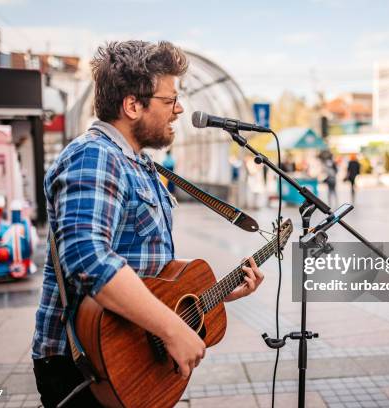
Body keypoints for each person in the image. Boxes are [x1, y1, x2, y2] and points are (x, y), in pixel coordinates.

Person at [32, 41, 264, 408]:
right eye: (170, 100)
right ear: (132, 105)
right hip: (86, 368)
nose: (180, 108)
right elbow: (88, 257)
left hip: (132, 351)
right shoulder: (94, 155)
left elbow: (149, 273)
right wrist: (171, 329)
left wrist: (212, 298)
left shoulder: (140, 165)